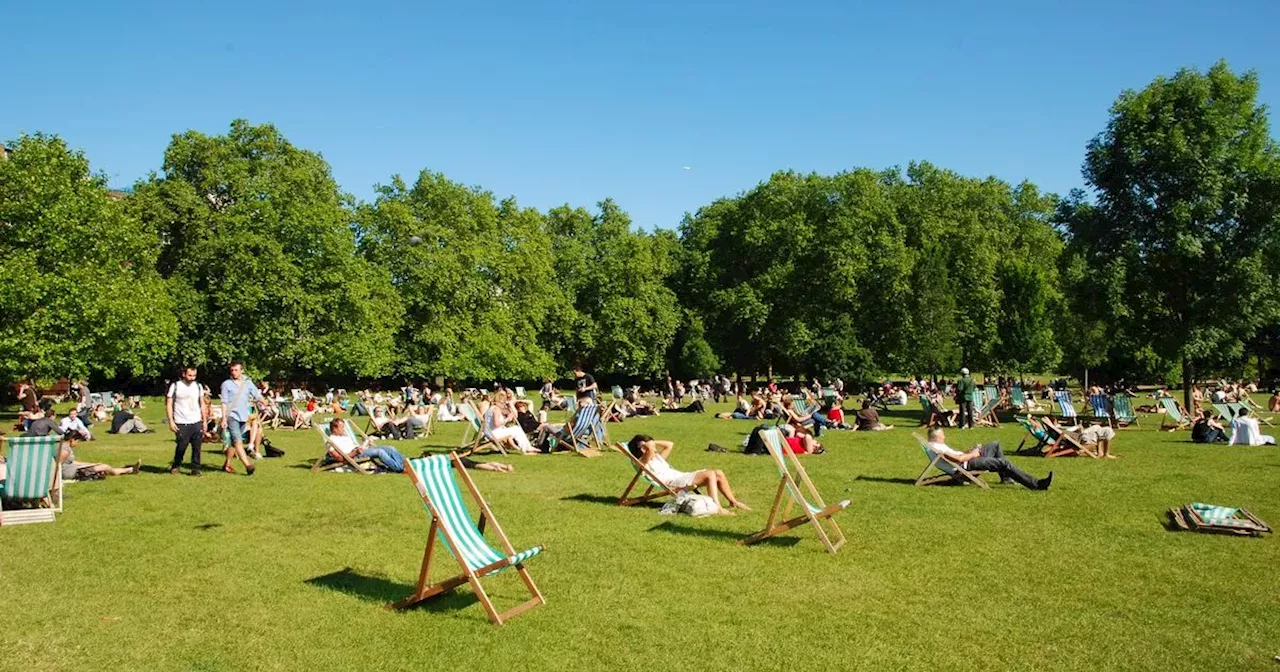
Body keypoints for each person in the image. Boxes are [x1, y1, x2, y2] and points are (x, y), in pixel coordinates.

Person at [627, 434, 749, 512]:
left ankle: (733, 502)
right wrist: (648, 446)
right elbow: (648, 453)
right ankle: (718, 508)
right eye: (651, 447)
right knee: (710, 474)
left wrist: (652, 442)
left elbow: (670, 445)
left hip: (681, 477)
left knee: (719, 473)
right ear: (643, 449)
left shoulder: (656, 458)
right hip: (676, 485)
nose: (654, 448)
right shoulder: (642, 461)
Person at [925, 427, 1053, 490]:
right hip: (967, 466)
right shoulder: (938, 447)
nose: (944, 437)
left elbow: (957, 456)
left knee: (995, 445)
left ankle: (1006, 478)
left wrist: (970, 450)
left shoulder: (933, 445)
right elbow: (958, 459)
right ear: (936, 437)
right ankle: (1036, 484)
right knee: (1003, 463)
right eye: (942, 436)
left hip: (967, 461)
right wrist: (974, 454)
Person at [219, 360, 263, 475]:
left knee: (234, 443)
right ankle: (248, 465)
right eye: (232, 370)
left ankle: (227, 464)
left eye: (236, 370)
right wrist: (224, 418)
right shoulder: (226, 384)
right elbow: (224, 402)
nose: (233, 372)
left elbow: (256, 395)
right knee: (238, 441)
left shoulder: (248, 382)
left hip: (244, 416)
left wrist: (265, 402)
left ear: (242, 370)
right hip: (231, 416)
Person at [321, 417, 407, 472]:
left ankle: (406, 464)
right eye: (342, 427)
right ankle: (399, 468)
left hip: (360, 450)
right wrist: (355, 453)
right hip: (353, 455)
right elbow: (339, 458)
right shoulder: (331, 441)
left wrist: (365, 444)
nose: (344, 429)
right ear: (334, 429)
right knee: (380, 452)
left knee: (389, 448)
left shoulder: (344, 436)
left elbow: (355, 445)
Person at [167, 366, 207, 475]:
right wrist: (171, 420)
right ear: (184, 374)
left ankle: (195, 469)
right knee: (181, 446)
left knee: (197, 447)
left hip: (196, 420)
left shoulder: (198, 386)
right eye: (190, 375)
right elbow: (169, 403)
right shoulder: (175, 386)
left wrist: (204, 421)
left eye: (194, 375)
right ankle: (176, 464)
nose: (192, 378)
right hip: (181, 421)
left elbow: (202, 403)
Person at [57, 440, 140, 481]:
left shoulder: (64, 447)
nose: (77, 443)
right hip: (71, 473)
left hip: (75, 470)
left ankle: (129, 470)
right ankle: (129, 470)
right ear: (72, 439)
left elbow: (72, 462)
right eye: (77, 441)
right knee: (105, 467)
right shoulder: (64, 451)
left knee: (103, 469)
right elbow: (58, 465)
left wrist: (91, 464)